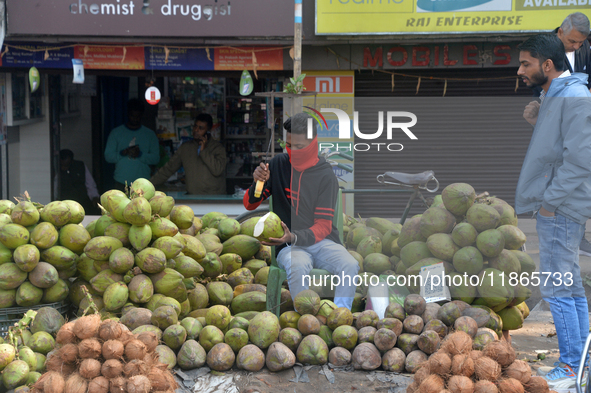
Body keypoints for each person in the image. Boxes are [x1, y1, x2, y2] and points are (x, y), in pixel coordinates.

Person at [515, 33, 591, 390]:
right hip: (561, 203)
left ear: (547, 65)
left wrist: (549, 203)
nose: (520, 70)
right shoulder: (557, 95)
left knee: (558, 288)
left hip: (561, 206)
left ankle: (569, 364)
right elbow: (560, 147)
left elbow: (580, 161)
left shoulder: (574, 96)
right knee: (571, 287)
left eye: (526, 63)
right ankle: (580, 360)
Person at [243, 113, 360, 309]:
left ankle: (342, 316)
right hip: (288, 247)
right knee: (297, 265)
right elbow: (250, 204)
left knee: (350, 264)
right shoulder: (278, 164)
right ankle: (303, 319)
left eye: (299, 147)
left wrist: (293, 236)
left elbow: (323, 226)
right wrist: (258, 182)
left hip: (322, 242)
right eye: (289, 145)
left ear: (313, 143)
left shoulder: (325, 175)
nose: (292, 151)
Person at [522, 12, 591, 257]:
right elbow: (534, 81)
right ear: (560, 32)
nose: (577, 46)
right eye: (573, 41)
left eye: (581, 42)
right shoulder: (543, 49)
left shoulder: (585, 50)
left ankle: (577, 237)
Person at [151, 114, 226, 194]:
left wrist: (204, 151)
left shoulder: (218, 148)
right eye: (195, 126)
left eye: (201, 128)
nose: (196, 130)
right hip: (193, 198)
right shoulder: (185, 148)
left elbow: (218, 170)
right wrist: (149, 184)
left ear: (208, 131)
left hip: (215, 199)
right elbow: (168, 169)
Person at [104, 98, 160, 190]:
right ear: (128, 114)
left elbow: (155, 159)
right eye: (132, 116)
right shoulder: (116, 133)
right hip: (121, 183)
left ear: (142, 115)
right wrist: (123, 153)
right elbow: (108, 156)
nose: (135, 119)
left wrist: (140, 154)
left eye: (138, 116)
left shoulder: (149, 135)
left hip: (143, 184)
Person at [58, 149, 100, 215]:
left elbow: (90, 183)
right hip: (64, 202)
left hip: (81, 200)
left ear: (71, 161)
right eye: (62, 165)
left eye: (66, 165)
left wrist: (94, 196)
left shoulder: (80, 166)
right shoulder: (54, 168)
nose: (64, 167)